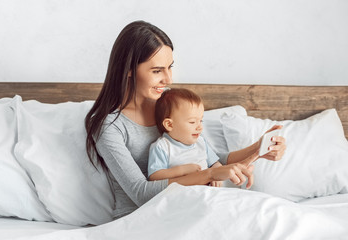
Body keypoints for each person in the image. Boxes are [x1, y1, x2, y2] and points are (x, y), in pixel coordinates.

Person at [85, 20, 286, 220]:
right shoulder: (110, 126)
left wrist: (258, 149)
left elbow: (210, 160)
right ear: (128, 69)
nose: (168, 79)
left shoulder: (170, 102)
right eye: (157, 71)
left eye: (169, 67)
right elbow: (141, 193)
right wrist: (208, 175)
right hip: (141, 220)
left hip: (189, 207)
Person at [148, 88, 223, 187]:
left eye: (201, 121)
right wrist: (182, 170)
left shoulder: (201, 142)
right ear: (169, 125)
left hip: (208, 191)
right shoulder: (162, 147)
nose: (199, 127)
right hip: (183, 194)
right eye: (192, 122)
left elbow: (216, 164)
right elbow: (154, 176)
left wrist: (217, 174)